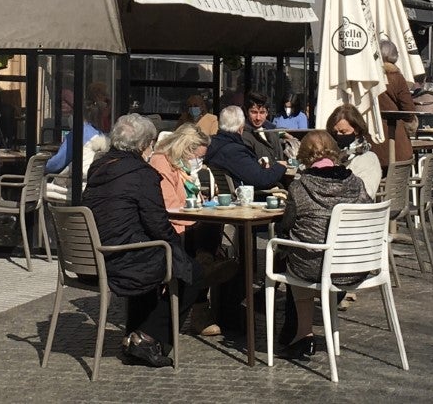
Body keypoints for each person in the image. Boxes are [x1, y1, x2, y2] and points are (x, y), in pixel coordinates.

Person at [83, 114, 200, 368]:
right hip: (119, 258)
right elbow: (158, 225)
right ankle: (146, 337)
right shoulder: (142, 174)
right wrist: (179, 250)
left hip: (91, 258)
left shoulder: (99, 168)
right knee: (192, 272)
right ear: (143, 145)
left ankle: (134, 336)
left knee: (153, 256)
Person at [275, 130, 372, 359]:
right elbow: (367, 213)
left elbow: (286, 224)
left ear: (305, 156)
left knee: (292, 257)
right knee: (302, 255)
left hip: (315, 267)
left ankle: (302, 334)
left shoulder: (299, 187)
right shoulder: (355, 183)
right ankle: (302, 333)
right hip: (354, 264)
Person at [148, 123, 223, 337]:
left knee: (211, 225)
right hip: (169, 226)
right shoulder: (162, 164)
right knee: (205, 233)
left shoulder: (179, 166)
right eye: (195, 156)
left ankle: (207, 263)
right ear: (185, 148)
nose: (196, 161)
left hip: (181, 222)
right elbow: (169, 205)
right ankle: (207, 269)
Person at [205, 106, 287, 191]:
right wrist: (280, 166)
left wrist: (256, 165)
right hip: (249, 197)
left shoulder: (214, 144)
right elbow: (261, 179)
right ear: (241, 127)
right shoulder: (234, 151)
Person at [324, 104, 381, 197]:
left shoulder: (368, 159)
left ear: (357, 130)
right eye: (334, 132)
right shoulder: (329, 155)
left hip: (355, 209)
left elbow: (367, 193)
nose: (338, 135)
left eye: (343, 132)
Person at [243, 91, 285, 162]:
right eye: (254, 112)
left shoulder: (272, 132)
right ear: (246, 112)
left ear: (267, 113)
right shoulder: (243, 135)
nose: (258, 118)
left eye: (262, 112)